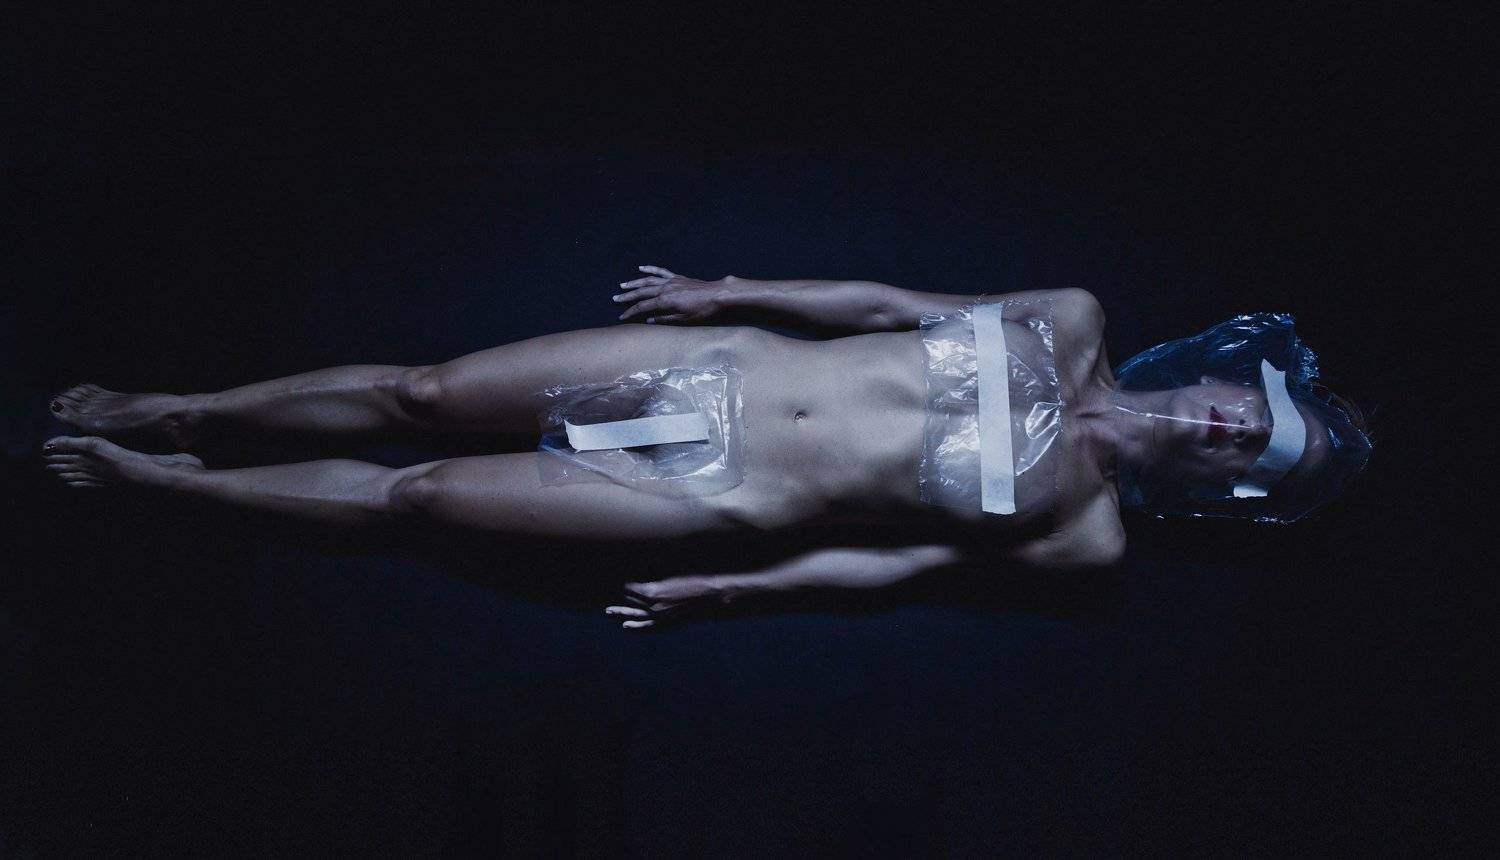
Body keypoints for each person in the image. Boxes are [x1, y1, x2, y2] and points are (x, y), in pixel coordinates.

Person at [42, 267, 1371, 629]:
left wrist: (730, 589)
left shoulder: (1086, 531)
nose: (1228, 423)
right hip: (716, 369)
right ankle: (181, 410)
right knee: (426, 390)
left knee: (426, 496)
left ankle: (171, 485)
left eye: (1255, 448)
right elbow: (888, 305)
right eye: (1251, 403)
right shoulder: (1068, 320)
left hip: (725, 495)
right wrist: (730, 288)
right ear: (1225, 374)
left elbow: (900, 568)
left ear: (1230, 480)